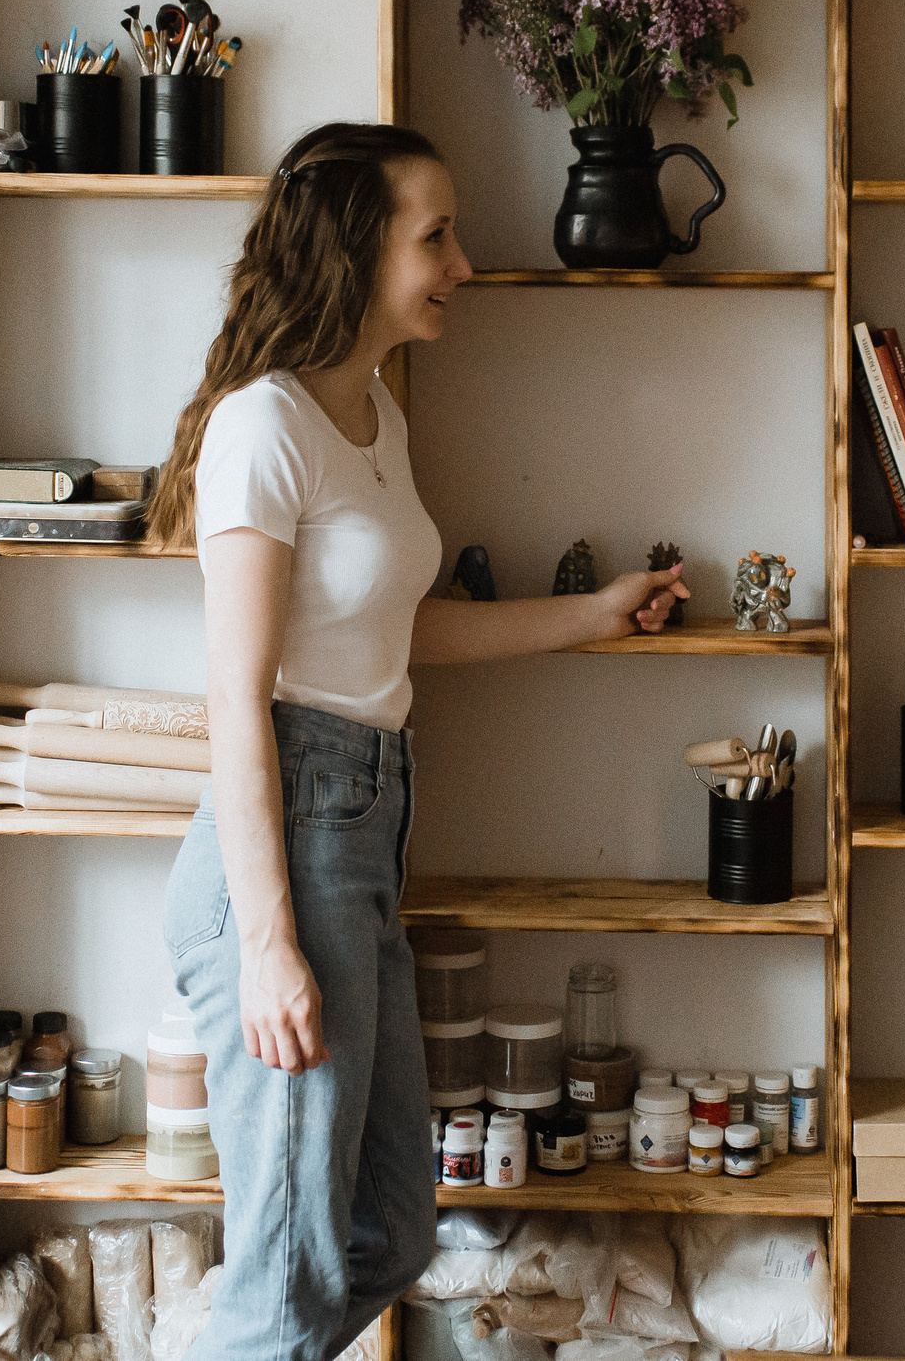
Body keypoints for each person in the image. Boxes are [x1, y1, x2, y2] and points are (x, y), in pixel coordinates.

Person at [148, 121, 691, 1361]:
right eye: (435, 236)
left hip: (362, 836)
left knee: (391, 1234)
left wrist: (590, 614)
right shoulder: (263, 426)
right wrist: (271, 946)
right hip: (285, 852)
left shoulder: (374, 418)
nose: (462, 264)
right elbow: (237, 695)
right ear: (354, 248)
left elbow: (399, 632)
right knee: (286, 1285)